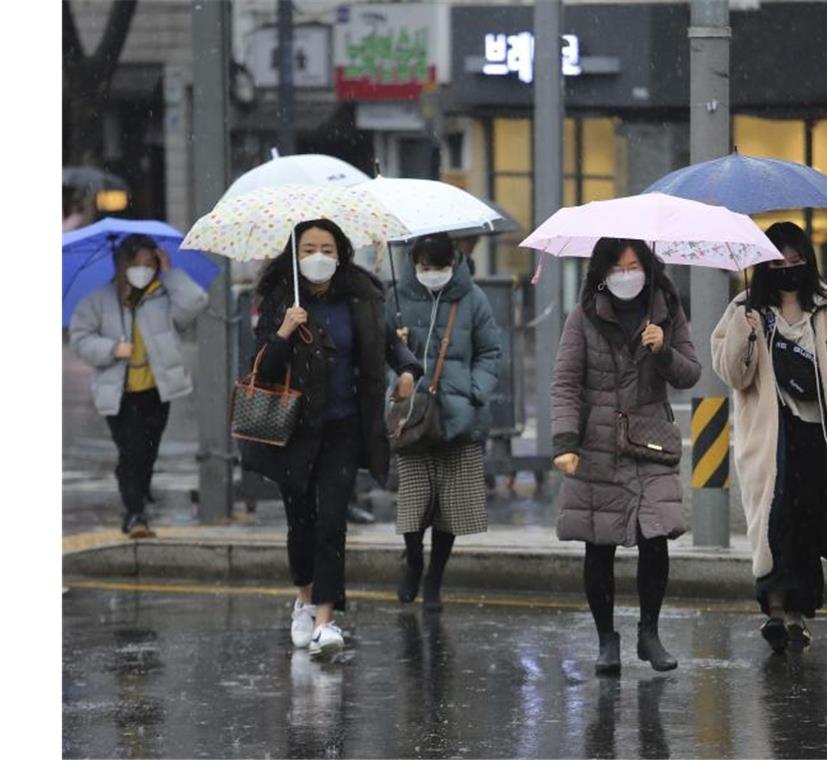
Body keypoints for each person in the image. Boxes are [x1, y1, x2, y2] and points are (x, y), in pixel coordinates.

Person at [245, 219, 422, 657]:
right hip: (292, 430)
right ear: (295, 253)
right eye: (308, 248)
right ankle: (303, 598)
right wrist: (286, 330)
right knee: (300, 523)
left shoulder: (360, 297)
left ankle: (326, 619)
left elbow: (387, 345)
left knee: (331, 523)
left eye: (326, 247)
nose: (318, 257)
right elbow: (262, 368)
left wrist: (407, 370)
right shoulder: (280, 299)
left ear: (340, 252)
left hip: (343, 426)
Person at [711, 222, 827, 653]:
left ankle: (798, 614)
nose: (786, 268)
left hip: (818, 435)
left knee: (809, 520)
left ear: (807, 262)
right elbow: (733, 373)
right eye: (776, 261)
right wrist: (745, 331)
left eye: (794, 261)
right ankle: (773, 609)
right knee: (774, 520)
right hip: (769, 436)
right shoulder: (745, 307)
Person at [551, 238, 701, 674]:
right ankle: (606, 640)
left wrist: (663, 349)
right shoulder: (582, 317)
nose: (627, 274)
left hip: (650, 441)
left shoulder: (666, 312)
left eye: (635, 265)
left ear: (649, 267)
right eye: (618, 267)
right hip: (597, 445)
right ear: (602, 272)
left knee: (656, 537)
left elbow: (691, 373)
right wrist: (565, 442)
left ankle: (649, 633)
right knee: (599, 545)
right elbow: (565, 382)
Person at [388, 234, 502, 612]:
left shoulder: (472, 298)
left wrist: (474, 392)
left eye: (439, 267)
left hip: (459, 417)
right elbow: (377, 349)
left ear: (452, 263)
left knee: (451, 507)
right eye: (424, 267)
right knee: (413, 502)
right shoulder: (398, 298)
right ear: (413, 263)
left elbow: (490, 351)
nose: (432, 274)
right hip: (412, 414)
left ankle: (434, 577)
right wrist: (397, 350)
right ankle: (413, 561)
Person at [69, 233, 208, 538]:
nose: (143, 269)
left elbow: (196, 301)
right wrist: (111, 349)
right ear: (123, 264)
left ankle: (138, 496)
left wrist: (171, 274)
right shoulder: (100, 300)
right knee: (131, 453)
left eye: (150, 263)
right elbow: (79, 337)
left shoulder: (162, 295)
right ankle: (135, 514)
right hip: (119, 394)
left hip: (157, 390)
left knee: (147, 452)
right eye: (137, 263)